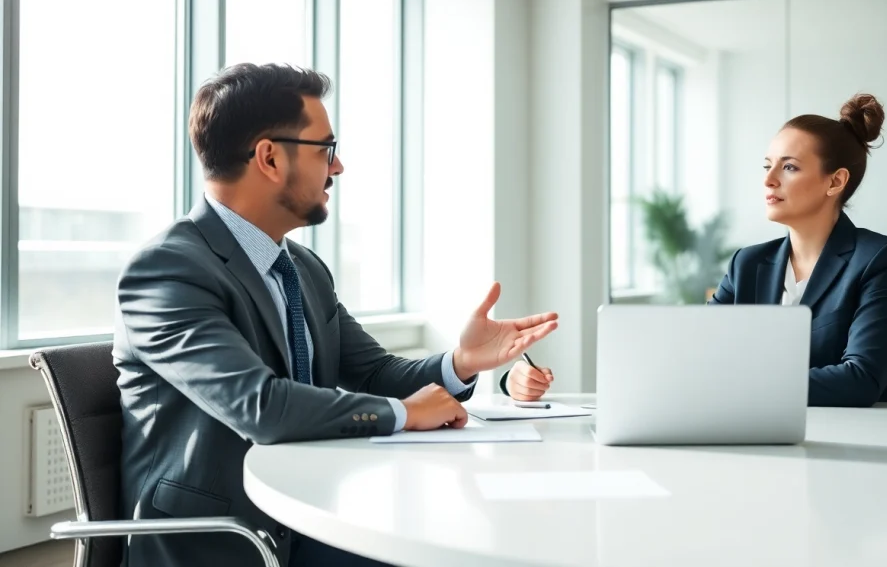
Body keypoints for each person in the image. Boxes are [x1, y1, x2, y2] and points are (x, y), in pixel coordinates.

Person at [113, 63, 558, 567]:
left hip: (306, 516)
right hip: (223, 543)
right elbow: (259, 408)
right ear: (269, 157)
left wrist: (462, 362)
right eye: (326, 149)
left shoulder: (301, 268)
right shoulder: (168, 270)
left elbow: (374, 372)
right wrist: (407, 413)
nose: (338, 166)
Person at [503, 93, 887, 408]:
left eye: (789, 167)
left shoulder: (880, 259)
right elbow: (696, 355)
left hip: (855, 449)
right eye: (767, 164)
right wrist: (515, 380)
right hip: (754, 441)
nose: (768, 180)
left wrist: (731, 383)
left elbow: (859, 379)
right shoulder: (749, 263)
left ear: (835, 181)